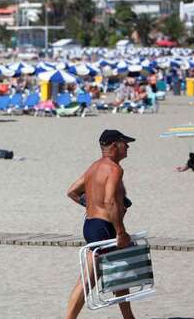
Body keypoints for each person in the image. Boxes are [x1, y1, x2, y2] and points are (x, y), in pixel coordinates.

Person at [65, 129, 136, 319]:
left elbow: (72, 191)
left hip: (91, 225)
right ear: (114, 145)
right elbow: (109, 201)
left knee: (117, 273)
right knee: (89, 279)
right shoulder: (114, 169)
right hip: (104, 227)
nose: (128, 146)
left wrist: (90, 204)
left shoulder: (94, 167)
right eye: (124, 142)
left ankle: (129, 317)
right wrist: (120, 231)